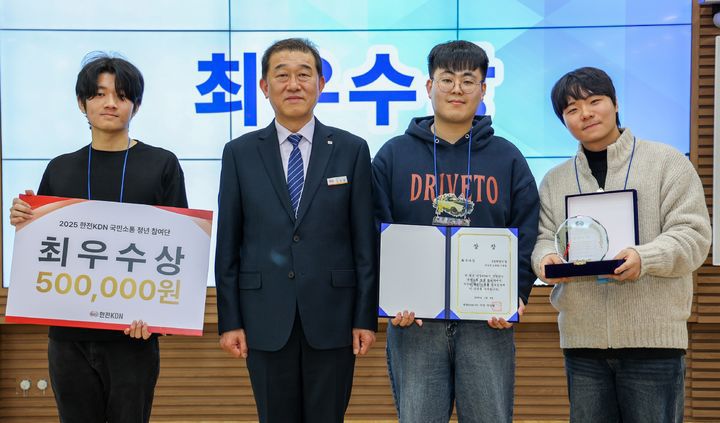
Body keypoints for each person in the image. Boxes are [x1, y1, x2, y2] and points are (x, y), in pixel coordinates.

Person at [8, 52, 187, 422]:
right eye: (99, 94)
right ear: (81, 103)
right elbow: (43, 245)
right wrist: (25, 218)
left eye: (121, 95)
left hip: (133, 337)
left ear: (136, 106)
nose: (110, 103)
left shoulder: (162, 164)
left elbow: (179, 248)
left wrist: (161, 316)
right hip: (67, 337)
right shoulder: (60, 168)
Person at [372, 40, 539, 423]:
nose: (457, 89)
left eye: (468, 80)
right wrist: (389, 296)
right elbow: (374, 231)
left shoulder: (507, 157)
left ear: (483, 89)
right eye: (447, 79)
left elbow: (528, 227)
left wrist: (516, 293)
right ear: (429, 87)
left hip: (487, 321)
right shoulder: (393, 155)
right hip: (415, 321)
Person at [531, 67, 711, 423]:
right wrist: (546, 260)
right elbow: (543, 237)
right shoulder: (554, 180)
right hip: (582, 344)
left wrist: (645, 258)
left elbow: (693, 235)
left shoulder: (667, 162)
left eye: (594, 101)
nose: (585, 114)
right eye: (572, 109)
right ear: (563, 121)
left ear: (615, 104)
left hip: (653, 344)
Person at [214, 38, 377, 423]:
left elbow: (365, 244)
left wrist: (364, 318)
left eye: (304, 75)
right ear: (264, 86)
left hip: (334, 318)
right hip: (264, 317)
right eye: (281, 75)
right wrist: (230, 321)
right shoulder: (239, 153)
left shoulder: (351, 149)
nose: (293, 84)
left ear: (321, 84)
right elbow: (228, 245)